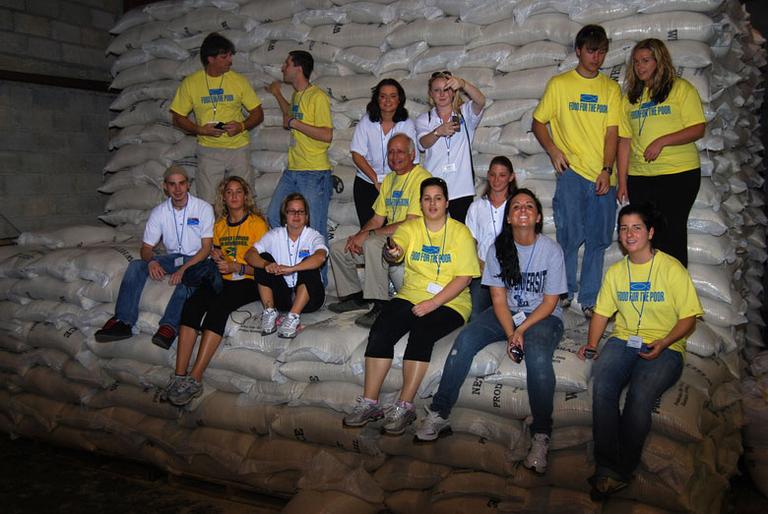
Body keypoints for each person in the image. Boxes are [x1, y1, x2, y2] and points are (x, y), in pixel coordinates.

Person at [415, 189, 567, 475]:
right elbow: (498, 299)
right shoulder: (498, 249)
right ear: (508, 218)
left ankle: (541, 434)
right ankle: (439, 412)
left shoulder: (551, 250)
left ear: (537, 216)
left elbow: (550, 302)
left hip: (543, 318)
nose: (523, 210)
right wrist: (511, 333)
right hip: (505, 313)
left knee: (536, 357)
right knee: (466, 338)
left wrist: (521, 330)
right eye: (517, 207)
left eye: (529, 206)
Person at [577, 203, 703, 499]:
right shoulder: (616, 272)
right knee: (603, 387)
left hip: (667, 344)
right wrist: (593, 344)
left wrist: (665, 342)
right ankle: (606, 466)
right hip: (623, 341)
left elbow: (688, 317)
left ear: (650, 232)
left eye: (636, 228)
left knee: (639, 395)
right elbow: (601, 314)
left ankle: (624, 468)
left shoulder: (671, 268)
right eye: (623, 228)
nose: (629, 234)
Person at [342, 177, 480, 435]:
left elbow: (464, 278)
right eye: (427, 198)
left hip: (452, 300)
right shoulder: (411, 227)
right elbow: (397, 248)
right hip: (411, 294)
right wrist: (391, 252)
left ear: (447, 202)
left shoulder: (460, 232)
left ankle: (404, 406)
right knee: (382, 328)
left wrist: (433, 303)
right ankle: (370, 401)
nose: (432, 203)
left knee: (422, 332)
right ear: (420, 203)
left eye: (438, 198)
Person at [532, 24, 621, 318]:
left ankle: (590, 298)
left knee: (598, 239)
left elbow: (612, 134)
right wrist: (554, 150)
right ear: (579, 51)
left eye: (602, 51)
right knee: (569, 236)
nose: (597, 57)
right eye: (592, 51)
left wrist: (607, 170)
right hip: (571, 174)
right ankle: (565, 291)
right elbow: (538, 123)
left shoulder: (610, 88)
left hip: (602, 175)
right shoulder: (560, 85)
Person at [163, 176, 268, 406]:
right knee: (191, 306)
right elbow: (217, 253)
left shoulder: (257, 225)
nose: (233, 196)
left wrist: (237, 266)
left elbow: (266, 268)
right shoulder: (219, 226)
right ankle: (179, 375)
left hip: (249, 281)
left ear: (245, 196)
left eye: (238, 191)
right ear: (223, 197)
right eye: (229, 192)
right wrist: (218, 257)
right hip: (223, 279)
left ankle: (195, 378)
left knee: (218, 310)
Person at [95, 166, 215, 349]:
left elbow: (206, 249)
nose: (177, 189)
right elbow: (146, 248)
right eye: (172, 184)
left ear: (188, 185)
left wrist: (183, 270)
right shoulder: (159, 212)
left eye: (182, 183)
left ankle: (168, 327)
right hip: (173, 257)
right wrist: (150, 261)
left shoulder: (203, 208)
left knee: (189, 279)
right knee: (136, 265)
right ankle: (123, 321)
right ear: (165, 187)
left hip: (197, 259)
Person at [617, 39, 706, 267]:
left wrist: (662, 141)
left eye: (646, 61)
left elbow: (698, 128)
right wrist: (622, 180)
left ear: (660, 61)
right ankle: (651, 291)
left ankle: (675, 295)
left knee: (671, 234)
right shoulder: (630, 98)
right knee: (645, 237)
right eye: (636, 62)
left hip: (678, 174)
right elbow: (625, 140)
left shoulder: (681, 89)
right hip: (640, 177)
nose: (640, 67)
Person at [328, 133, 431, 328]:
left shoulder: (422, 179)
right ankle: (356, 297)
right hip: (390, 235)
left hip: (411, 238)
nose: (395, 156)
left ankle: (381, 304)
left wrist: (369, 235)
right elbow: (377, 219)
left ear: (412, 154)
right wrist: (358, 236)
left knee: (374, 244)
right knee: (339, 248)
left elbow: (410, 223)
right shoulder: (390, 179)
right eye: (390, 152)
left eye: (400, 151)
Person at [169, 33, 264, 204]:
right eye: (224, 56)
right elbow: (178, 118)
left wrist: (241, 126)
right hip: (208, 151)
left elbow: (258, 113)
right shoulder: (191, 83)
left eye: (230, 55)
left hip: (238, 149)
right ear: (210, 59)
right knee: (208, 202)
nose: (230, 60)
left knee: (244, 199)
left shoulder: (238, 81)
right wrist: (200, 129)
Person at [265, 51, 333, 256]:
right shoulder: (297, 95)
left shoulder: (317, 97)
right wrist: (277, 95)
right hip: (293, 170)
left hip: (314, 172)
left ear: (298, 68)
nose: (282, 68)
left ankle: (318, 285)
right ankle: (292, 262)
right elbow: (291, 115)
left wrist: (294, 123)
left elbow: (326, 134)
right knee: (274, 215)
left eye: (286, 63)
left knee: (316, 231)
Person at [245, 193, 327, 339]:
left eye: (300, 211)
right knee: (262, 259)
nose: (296, 215)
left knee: (309, 263)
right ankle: (270, 312)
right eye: (291, 211)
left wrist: (292, 268)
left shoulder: (314, 236)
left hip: (311, 297)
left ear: (306, 216)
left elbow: (320, 257)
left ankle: (293, 317)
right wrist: (266, 264)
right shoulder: (274, 234)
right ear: (285, 215)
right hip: (283, 296)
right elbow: (249, 254)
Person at [415, 71, 486, 223]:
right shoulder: (424, 119)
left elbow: (480, 101)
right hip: (435, 187)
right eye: (437, 90)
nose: (442, 94)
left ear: (453, 92)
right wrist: (438, 132)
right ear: (431, 94)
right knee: (435, 234)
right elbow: (423, 143)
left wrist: (463, 83)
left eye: (446, 89)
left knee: (462, 235)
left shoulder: (464, 113)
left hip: (462, 188)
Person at [351, 78, 419, 227]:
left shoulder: (407, 124)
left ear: (400, 99)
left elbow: (412, 158)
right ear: (377, 99)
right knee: (369, 231)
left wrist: (396, 183)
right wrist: (375, 179)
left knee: (395, 231)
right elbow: (357, 153)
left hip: (397, 184)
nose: (388, 100)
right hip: (367, 183)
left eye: (393, 96)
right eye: (383, 96)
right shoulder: (366, 122)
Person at [464, 156, 517, 319]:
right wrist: (479, 265)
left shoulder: (517, 206)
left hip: (512, 272)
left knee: (516, 313)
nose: (496, 180)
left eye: (502, 175)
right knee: (475, 314)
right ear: (487, 175)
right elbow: (469, 242)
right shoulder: (476, 207)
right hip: (482, 273)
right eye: (493, 175)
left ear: (511, 177)